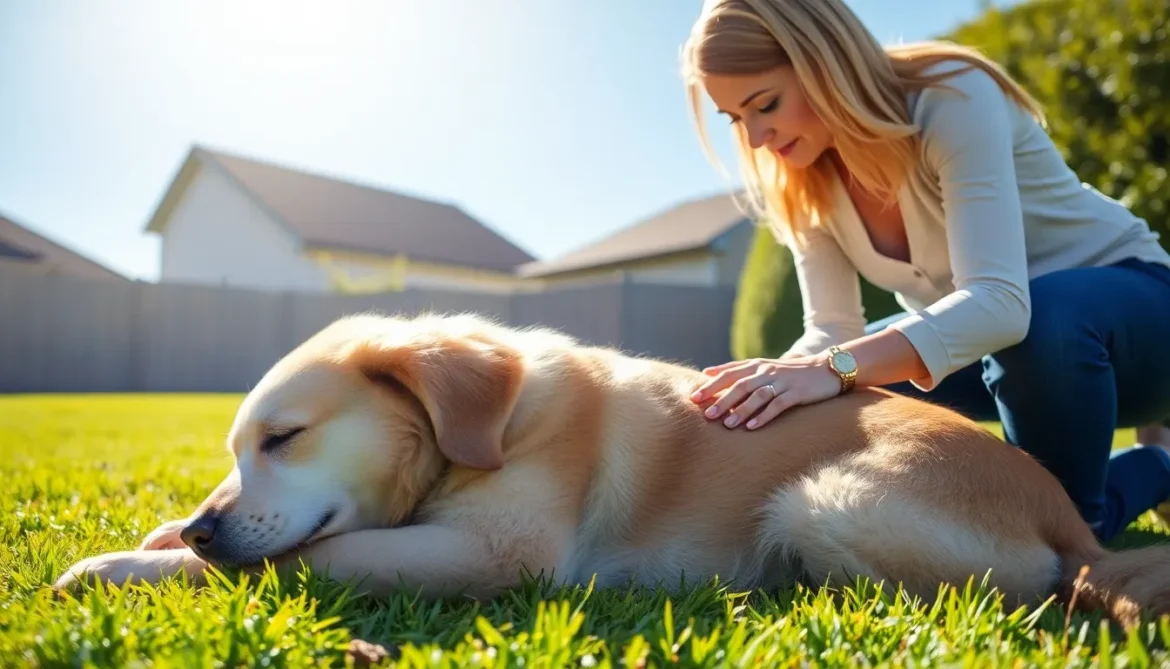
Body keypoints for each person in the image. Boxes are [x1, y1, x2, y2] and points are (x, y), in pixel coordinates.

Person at [679, 0, 1170, 543]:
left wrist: (830, 366)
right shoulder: (799, 182)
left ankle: (1153, 468)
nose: (754, 139)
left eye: (765, 104)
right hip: (997, 351)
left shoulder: (951, 95)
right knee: (829, 387)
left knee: (1052, 533)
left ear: (824, 62)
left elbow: (1000, 304)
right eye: (736, 119)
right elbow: (831, 333)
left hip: (1138, 324)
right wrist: (765, 390)